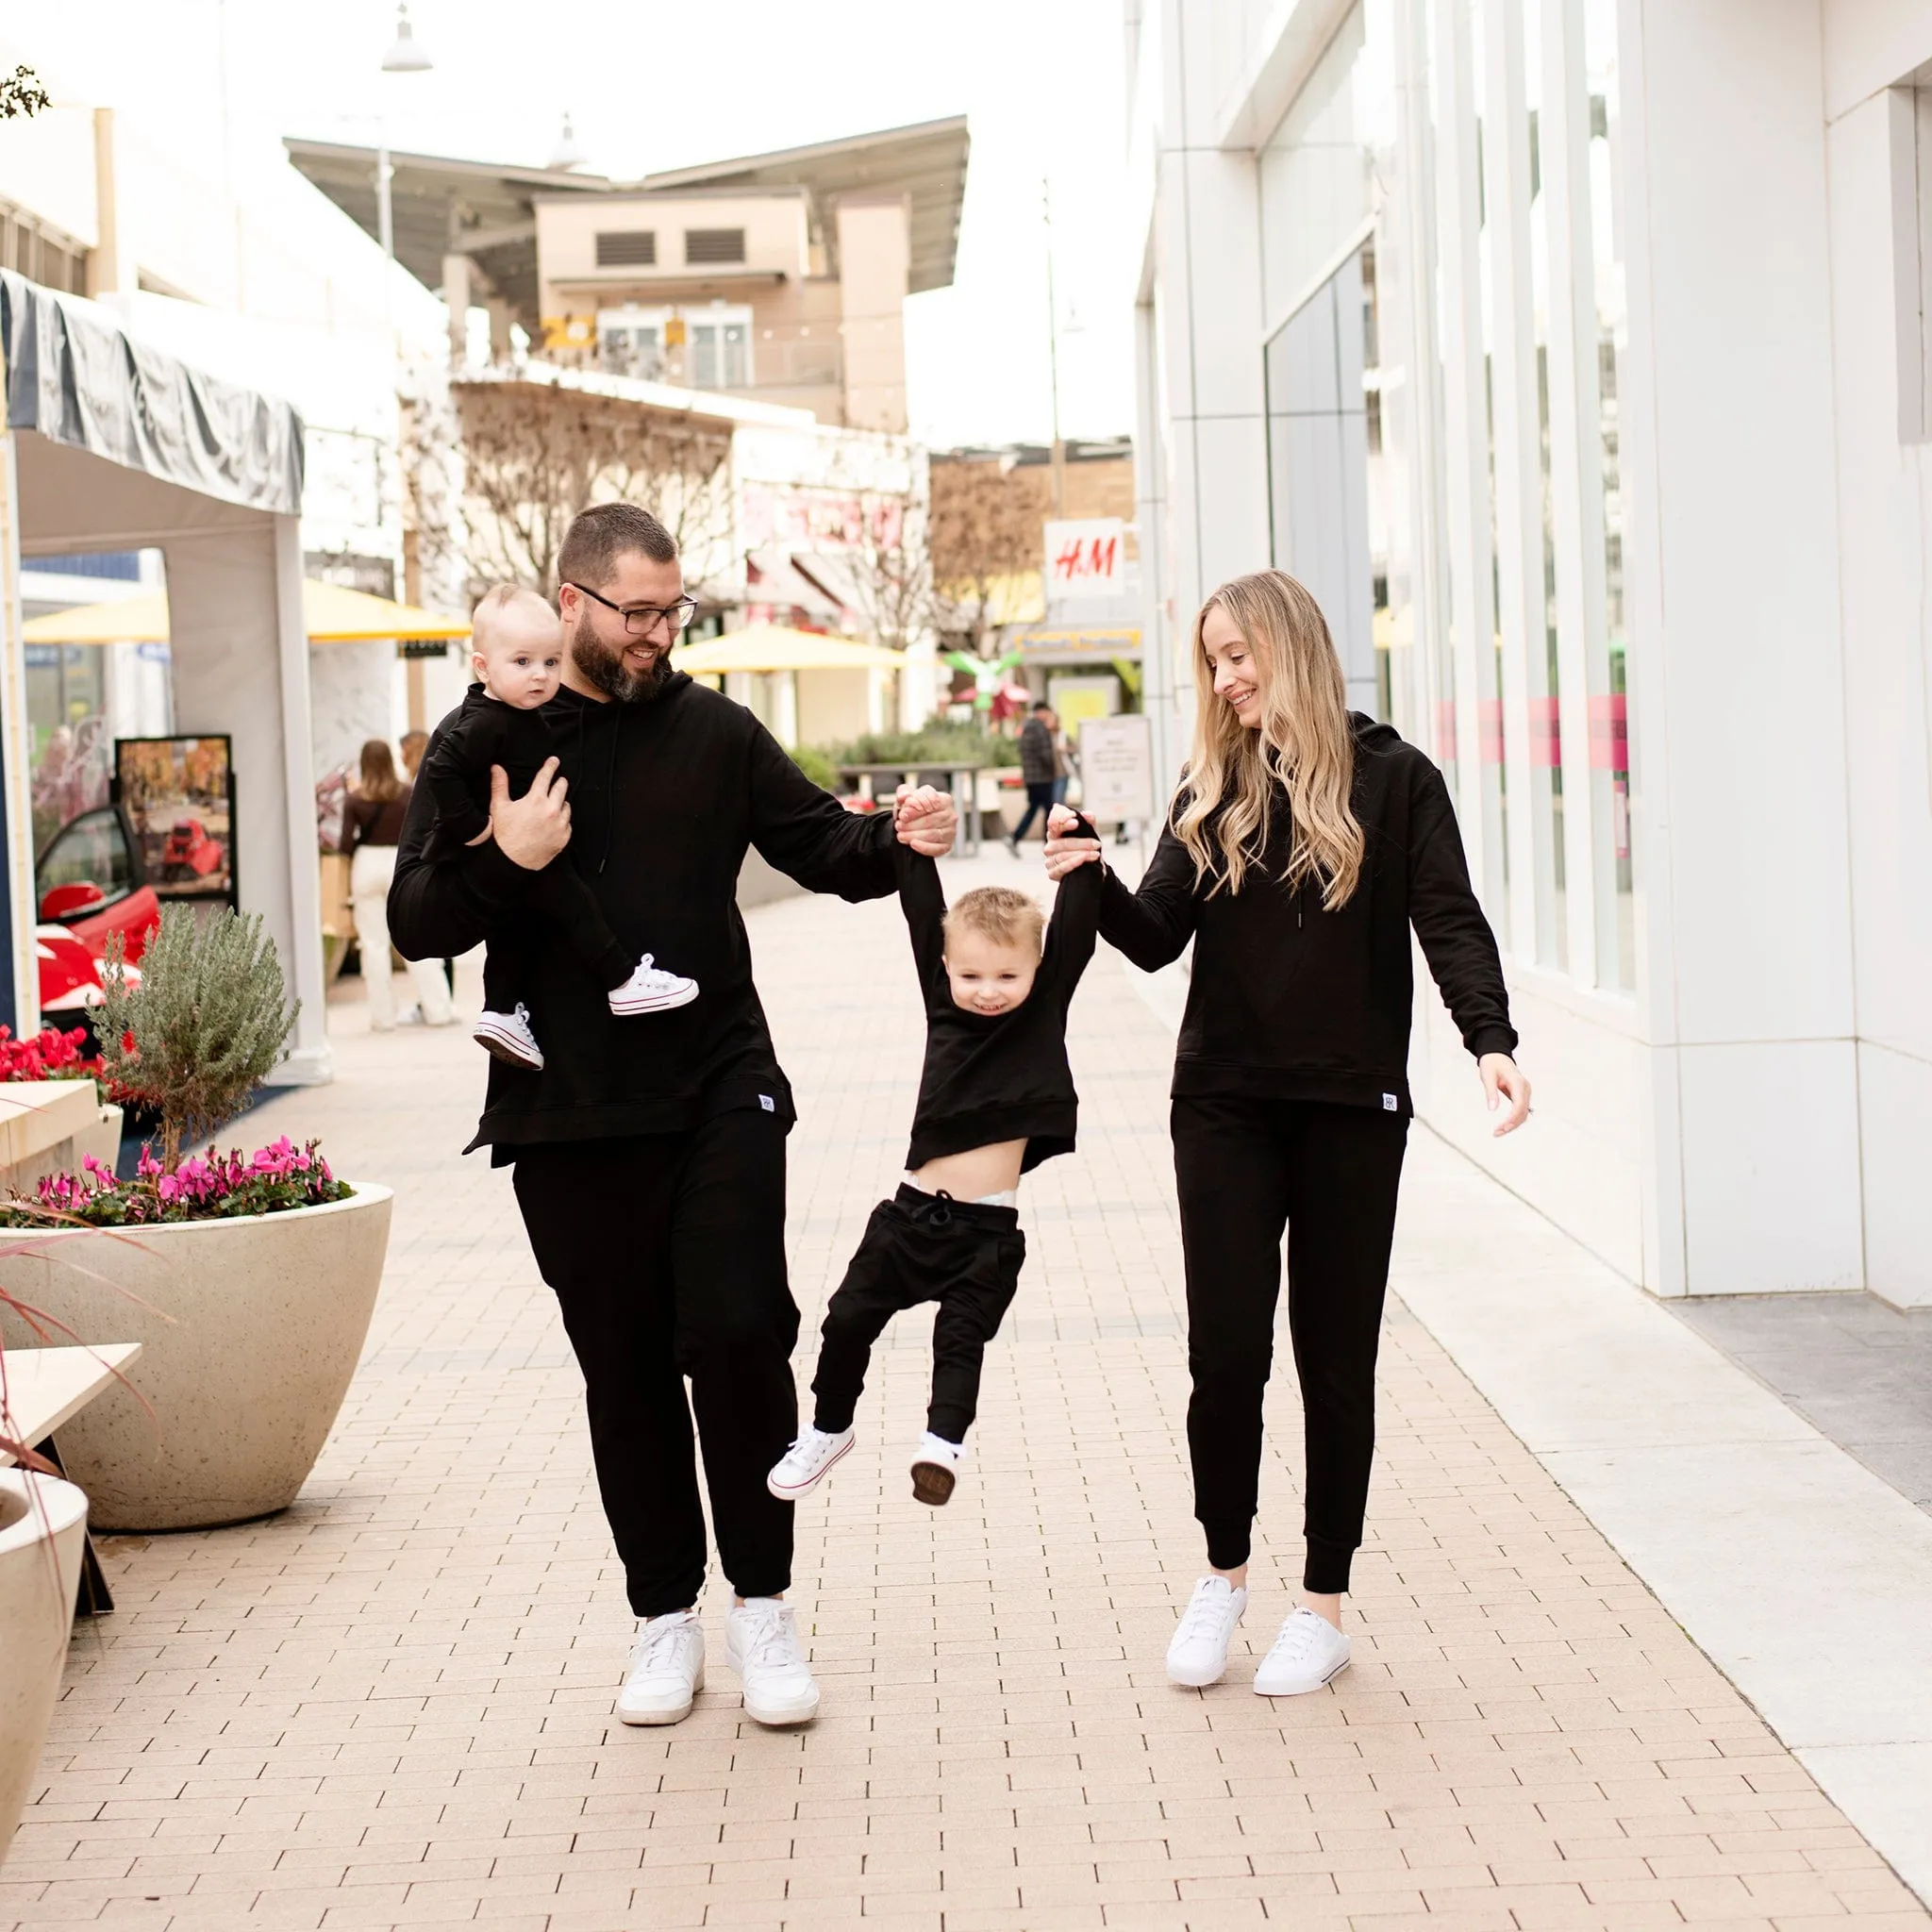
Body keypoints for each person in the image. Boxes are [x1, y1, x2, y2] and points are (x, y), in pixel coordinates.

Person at [387, 502, 958, 1734]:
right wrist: (510, 857)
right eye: (636, 613)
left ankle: (763, 1605)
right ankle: (664, 1617)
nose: (656, 634)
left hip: (718, 1085)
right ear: (573, 600)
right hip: (565, 1113)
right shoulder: (489, 740)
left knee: (741, 1331)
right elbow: (417, 921)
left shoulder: (713, 733)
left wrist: (902, 835)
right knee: (627, 1367)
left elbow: (826, 847)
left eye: (670, 612)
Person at [1043, 569, 1530, 1700]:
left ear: (1292, 647)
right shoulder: (1209, 784)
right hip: (1220, 1099)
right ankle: (1221, 1574)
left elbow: (1445, 917)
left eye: (1239, 652)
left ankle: (1321, 1603)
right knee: (1224, 1351)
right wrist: (1092, 874)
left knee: (1332, 1353)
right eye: (1212, 659)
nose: (1226, 676)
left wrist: (1487, 1037)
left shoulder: (1395, 778)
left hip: (1350, 1104)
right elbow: (1157, 935)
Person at [767, 823, 1102, 1509]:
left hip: (986, 1238)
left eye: (1008, 976)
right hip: (910, 1216)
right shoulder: (942, 1006)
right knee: (847, 1319)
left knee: (959, 1342)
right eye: (971, 974)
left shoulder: (1042, 1012)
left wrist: (1078, 847)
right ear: (946, 967)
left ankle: (941, 1448)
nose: (987, 991)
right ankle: (829, 1426)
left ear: (1038, 971)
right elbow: (921, 903)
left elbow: (1080, 926)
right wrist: (912, 831)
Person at [419, 583, 697, 1070]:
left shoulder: (515, 714)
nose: (540, 676)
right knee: (574, 906)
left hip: (523, 844)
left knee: (518, 928)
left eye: (550, 662)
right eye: (522, 663)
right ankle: (622, 979)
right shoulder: (487, 720)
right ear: (483, 667)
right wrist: (477, 830)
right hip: (514, 845)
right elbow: (441, 770)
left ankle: (502, 1010)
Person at [343, 739, 456, 1032]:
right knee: (416, 937)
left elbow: (344, 845)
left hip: (366, 865)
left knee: (373, 945)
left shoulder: (354, 800)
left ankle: (382, 1018)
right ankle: (438, 1009)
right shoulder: (406, 793)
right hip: (398, 862)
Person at [399, 729, 456, 999]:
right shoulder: (407, 783)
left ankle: (437, 1002)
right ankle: (441, 1001)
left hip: (428, 855)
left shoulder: (419, 780)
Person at [1005, 700, 1060, 851]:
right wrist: (1052, 770)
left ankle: (1015, 837)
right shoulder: (1039, 728)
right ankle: (1048, 841)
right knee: (1049, 809)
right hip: (1042, 777)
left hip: (1031, 777)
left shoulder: (1027, 727)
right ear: (1041, 712)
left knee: (1034, 808)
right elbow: (1045, 754)